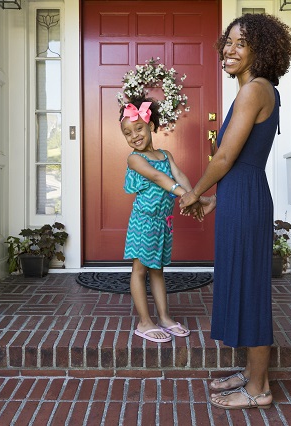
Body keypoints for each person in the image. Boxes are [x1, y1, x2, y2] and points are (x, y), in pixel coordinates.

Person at [179, 13, 291, 410]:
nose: (228, 49)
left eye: (239, 43)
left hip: (245, 195)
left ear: (259, 50)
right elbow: (241, 160)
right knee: (244, 285)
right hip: (242, 195)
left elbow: (227, 156)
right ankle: (252, 373)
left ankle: (259, 388)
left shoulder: (254, 91)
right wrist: (217, 200)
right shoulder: (258, 90)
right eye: (227, 42)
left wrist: (195, 192)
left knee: (252, 291)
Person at [121, 97, 202, 343]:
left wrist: (194, 198)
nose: (134, 135)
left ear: (151, 126)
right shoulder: (135, 159)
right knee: (140, 269)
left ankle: (164, 317)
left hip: (162, 223)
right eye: (127, 133)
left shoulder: (165, 154)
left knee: (157, 269)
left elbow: (179, 175)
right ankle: (144, 322)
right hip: (143, 222)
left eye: (138, 129)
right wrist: (185, 195)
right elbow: (157, 177)